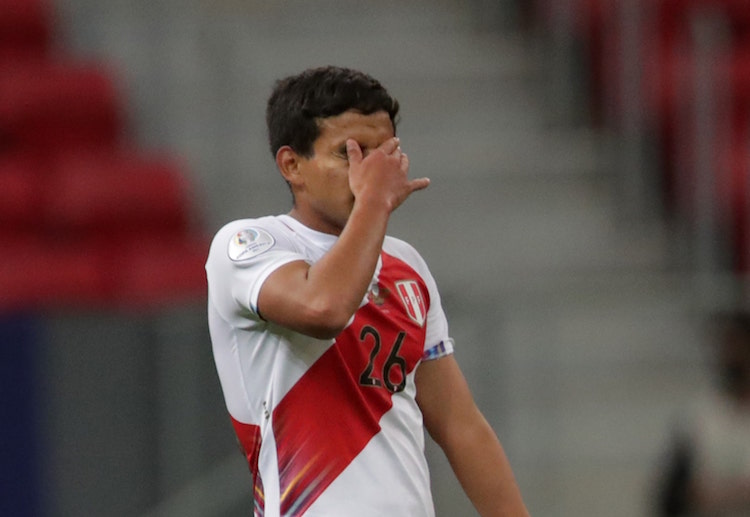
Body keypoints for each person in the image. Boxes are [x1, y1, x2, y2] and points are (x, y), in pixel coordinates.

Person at [205, 65, 529, 517]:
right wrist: (374, 202)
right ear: (292, 165)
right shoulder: (248, 246)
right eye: (350, 153)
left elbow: (460, 425)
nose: (373, 173)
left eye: (384, 153)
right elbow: (324, 308)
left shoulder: (406, 265)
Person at [653, 310, 750, 516]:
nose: (732, 354)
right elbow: (671, 495)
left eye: (740, 345)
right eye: (727, 346)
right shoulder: (698, 417)